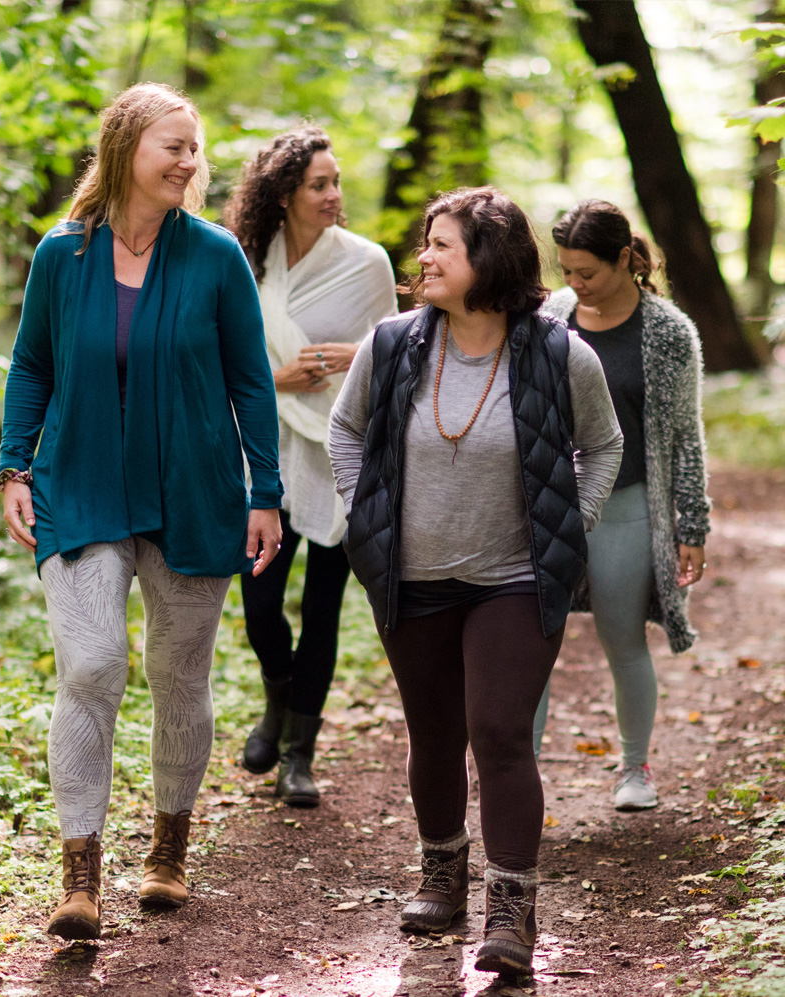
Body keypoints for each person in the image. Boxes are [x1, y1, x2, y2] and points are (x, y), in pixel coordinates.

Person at [0, 83, 283, 941]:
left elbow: (249, 379)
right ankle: (80, 873)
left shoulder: (215, 255)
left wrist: (262, 490)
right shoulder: (62, 254)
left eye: (195, 147)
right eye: (174, 145)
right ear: (125, 148)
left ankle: (167, 849)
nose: (190, 162)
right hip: (80, 482)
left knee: (180, 673)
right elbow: (32, 364)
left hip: (193, 488)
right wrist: (15, 465)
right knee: (90, 666)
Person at [328, 187, 623, 977]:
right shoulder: (391, 344)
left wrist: (574, 520)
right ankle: (442, 873)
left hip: (515, 578)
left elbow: (602, 444)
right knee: (433, 732)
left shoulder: (560, 352)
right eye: (426, 243)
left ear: (486, 259)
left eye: (442, 245)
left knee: (498, 730)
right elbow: (346, 429)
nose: (423, 256)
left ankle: (511, 907)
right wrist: (361, 514)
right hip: (412, 577)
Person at [223, 126, 397, 807]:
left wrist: (354, 357)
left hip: (342, 450)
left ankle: (301, 752)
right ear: (284, 193)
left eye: (336, 182)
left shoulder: (366, 263)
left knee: (324, 607)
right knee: (260, 602)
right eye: (318, 185)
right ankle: (277, 698)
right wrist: (275, 381)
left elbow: (394, 349)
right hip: (264, 453)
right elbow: (217, 358)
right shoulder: (244, 262)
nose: (333, 195)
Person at [533, 199, 711, 810]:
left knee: (622, 637)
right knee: (532, 636)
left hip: (628, 504)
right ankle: (518, 772)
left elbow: (686, 436)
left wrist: (693, 524)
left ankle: (634, 769)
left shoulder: (667, 332)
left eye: (587, 272)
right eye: (566, 271)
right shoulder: (552, 317)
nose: (574, 284)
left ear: (625, 260)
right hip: (550, 503)